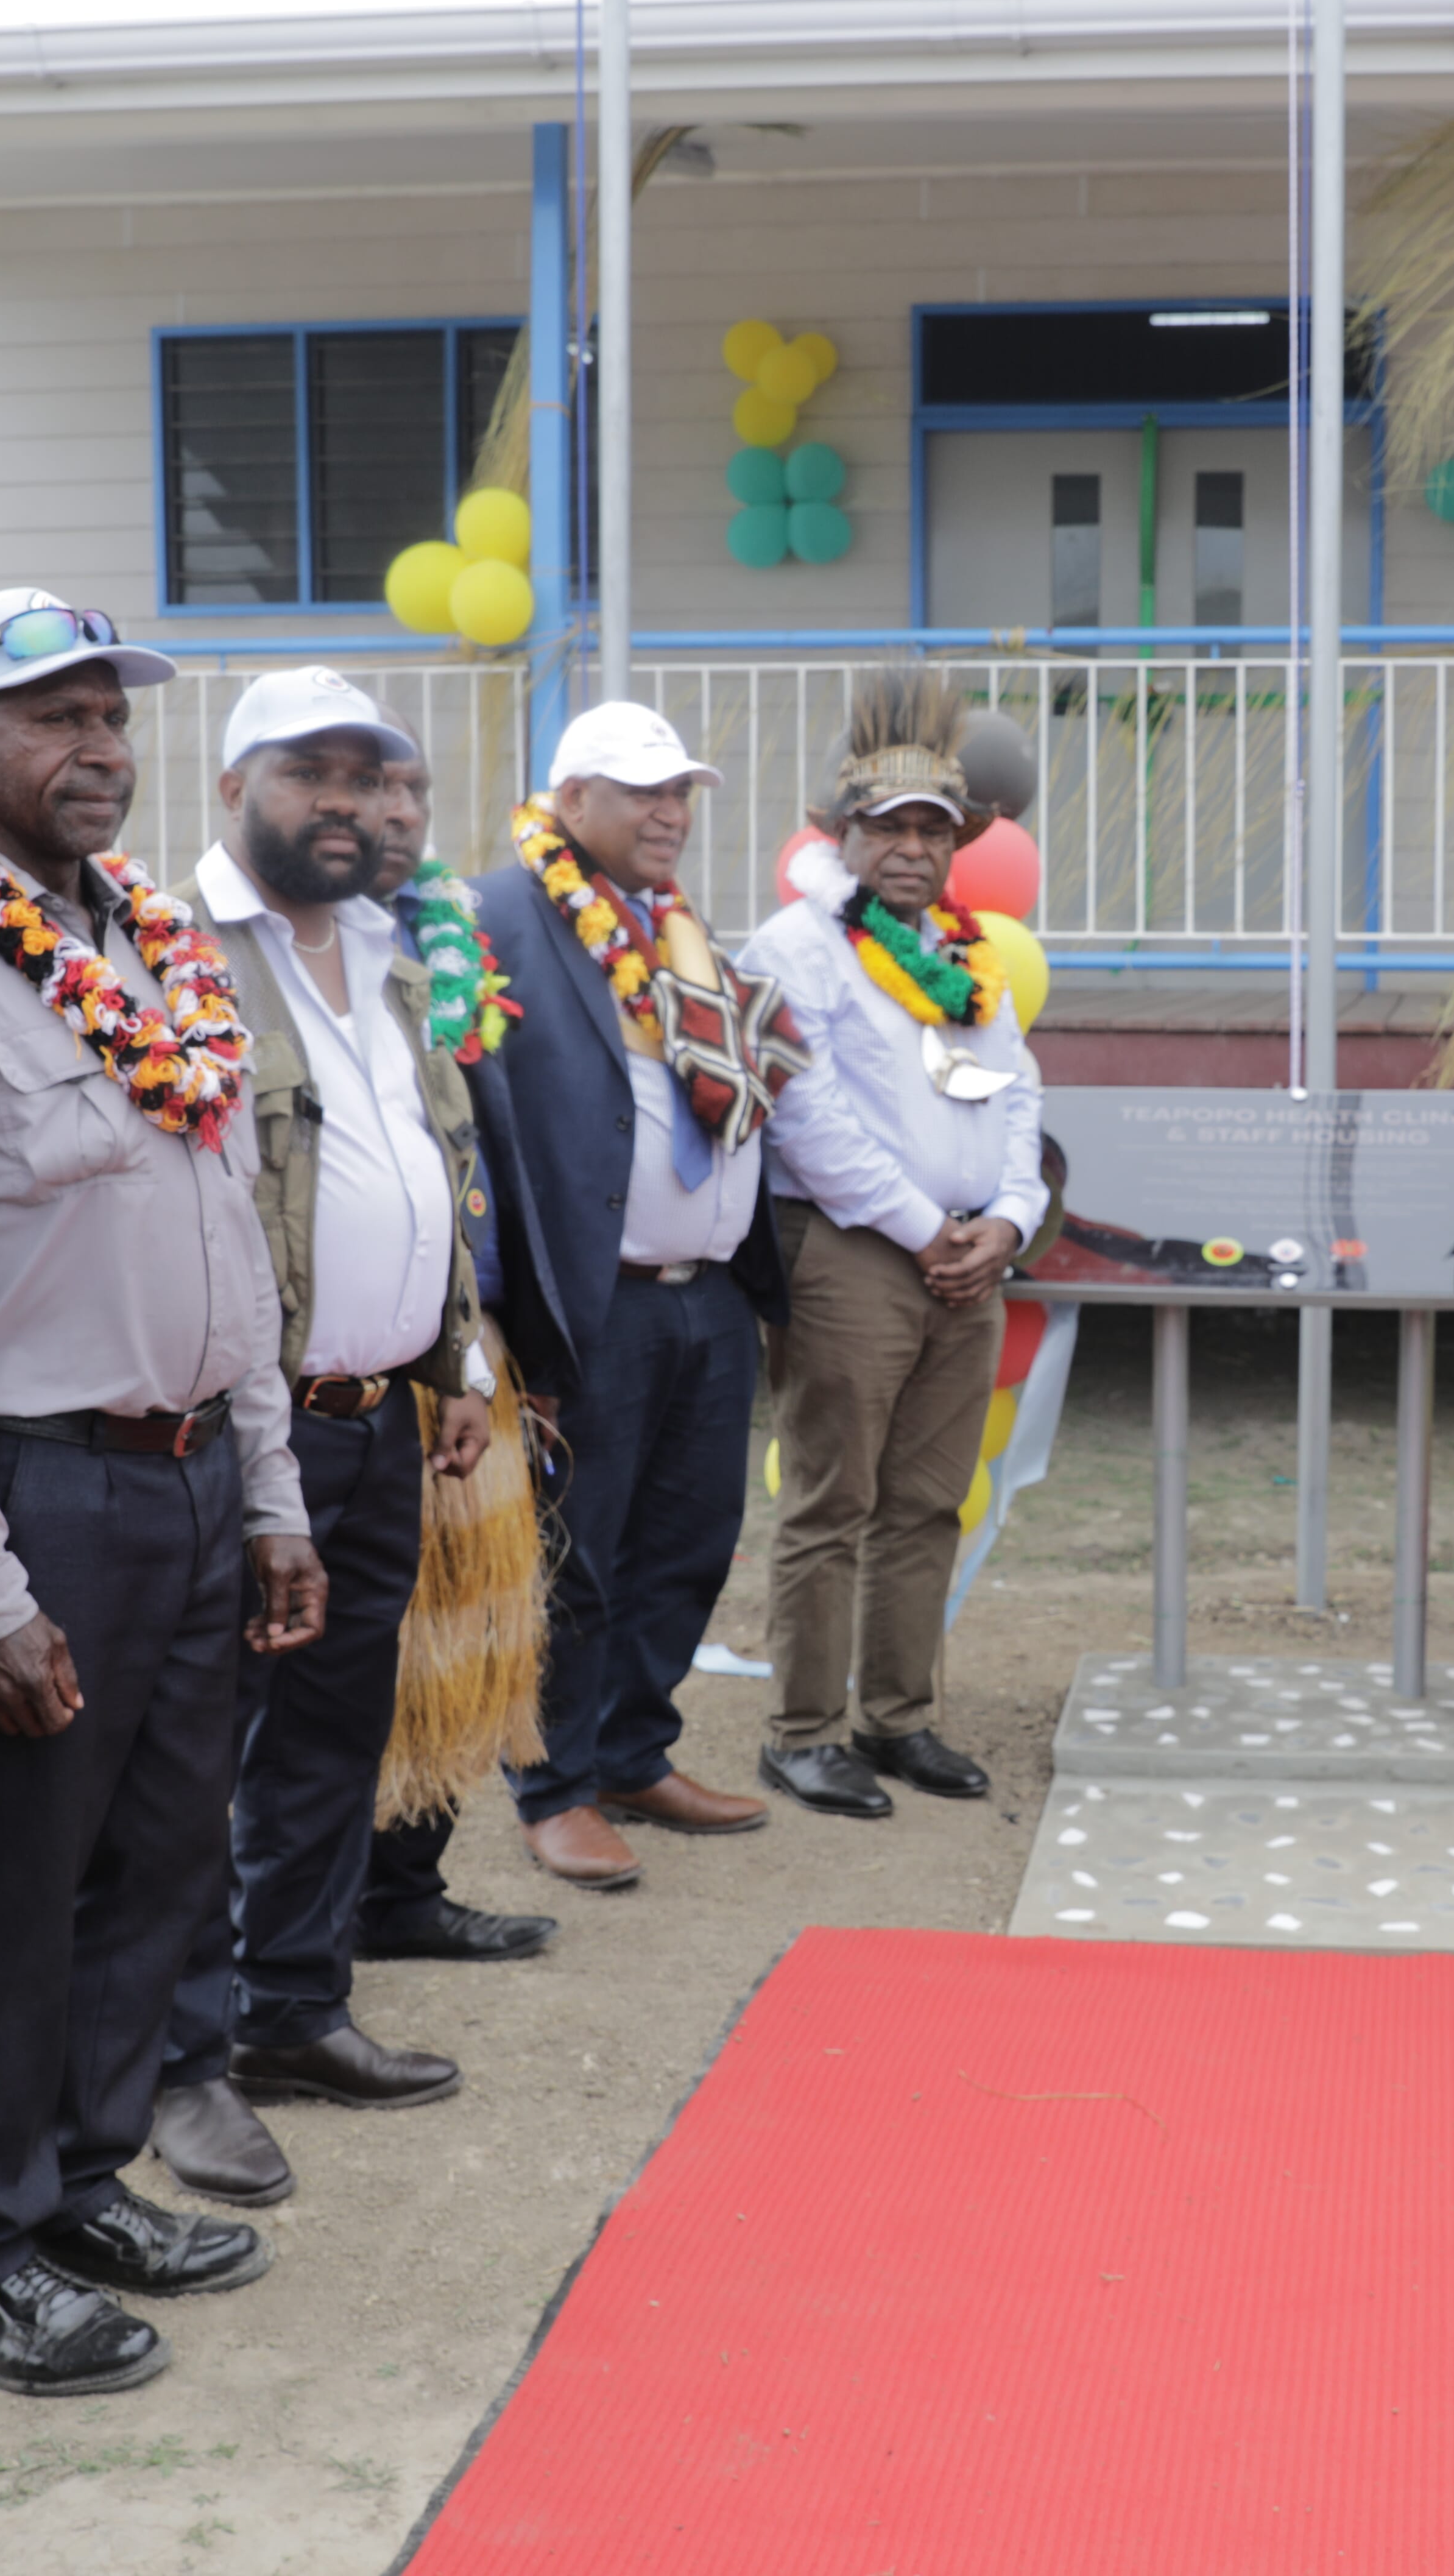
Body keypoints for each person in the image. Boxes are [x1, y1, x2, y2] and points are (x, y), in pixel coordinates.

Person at [0, 588, 325, 2395]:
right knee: (20, 1879)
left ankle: (74, 2176)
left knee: (152, 1866)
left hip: (198, 1474)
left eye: (110, 715)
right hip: (50, 1490)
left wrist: (272, 1494)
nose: (97, 747)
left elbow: (227, 1248)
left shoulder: (150, 940)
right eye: (45, 715)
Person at [149, 669, 507, 2211]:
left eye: (378, 776)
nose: (353, 803)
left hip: (382, 1416)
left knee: (330, 1741)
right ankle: (181, 2062)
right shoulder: (164, 949)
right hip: (250, 1426)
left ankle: (295, 2008)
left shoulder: (396, 953)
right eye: (316, 773)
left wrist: (465, 1348)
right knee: (203, 1757)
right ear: (239, 787)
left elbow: (436, 1155)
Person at [478, 702, 803, 1890]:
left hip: (707, 1294)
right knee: (579, 1555)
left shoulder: (671, 922)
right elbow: (489, 1127)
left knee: (687, 1540)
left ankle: (633, 1748)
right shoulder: (501, 914)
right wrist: (509, 1320)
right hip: (593, 1302)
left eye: (683, 794)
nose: (671, 813)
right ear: (572, 803)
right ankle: (554, 1784)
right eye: (643, 792)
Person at [736, 671, 1046, 1818]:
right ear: (842, 834)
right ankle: (804, 1731)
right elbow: (808, 1122)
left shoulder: (963, 954)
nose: (914, 847)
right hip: (856, 1254)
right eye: (891, 826)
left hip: (970, 1258)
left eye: (935, 829)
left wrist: (1007, 1223)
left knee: (927, 1501)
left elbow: (1017, 1097)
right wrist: (930, 1232)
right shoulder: (794, 946)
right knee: (832, 1499)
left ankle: (899, 1718)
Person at [347, 772, 571, 1967]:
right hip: (354, 1357)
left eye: (408, 791)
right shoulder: (275, 955)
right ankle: (305, 1916)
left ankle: (405, 1892)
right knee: (358, 1654)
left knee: (467, 1633)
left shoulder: (454, 943)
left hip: (471, 1338)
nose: (391, 814)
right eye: (356, 789)